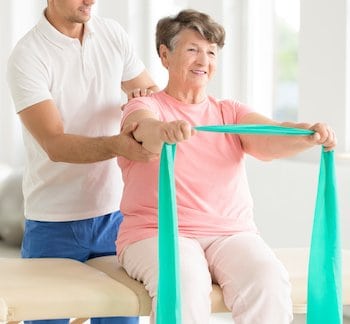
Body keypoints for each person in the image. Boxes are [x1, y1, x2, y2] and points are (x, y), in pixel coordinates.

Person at [115, 9, 337, 324]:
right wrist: (163, 132)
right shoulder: (146, 106)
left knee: (269, 280)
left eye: (211, 52)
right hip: (157, 232)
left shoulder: (228, 113)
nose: (203, 60)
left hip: (230, 233)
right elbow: (141, 131)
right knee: (185, 284)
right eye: (192, 50)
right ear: (164, 55)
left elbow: (270, 137)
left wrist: (307, 135)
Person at [6, 1, 159, 324]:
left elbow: (150, 93)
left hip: (116, 217)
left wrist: (142, 105)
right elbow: (55, 144)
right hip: (53, 224)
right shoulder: (28, 55)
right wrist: (121, 146)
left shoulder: (112, 34)